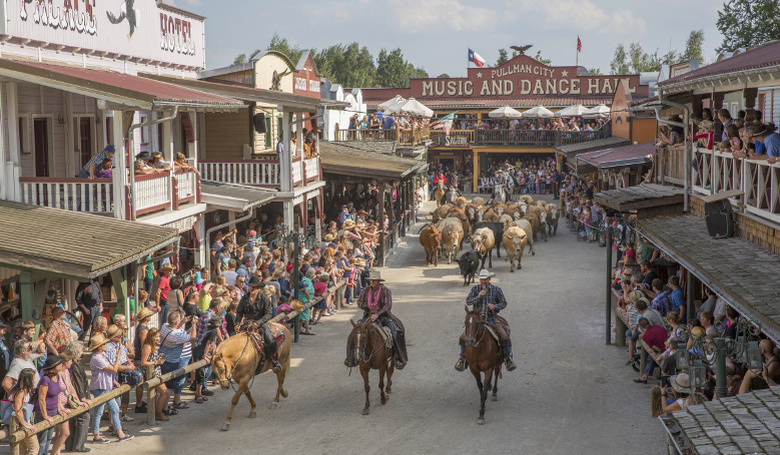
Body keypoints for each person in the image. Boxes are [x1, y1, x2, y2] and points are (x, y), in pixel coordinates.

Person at [455, 269, 516, 372]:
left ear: (489, 279)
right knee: (463, 337)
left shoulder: (496, 290)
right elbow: (468, 301)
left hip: (491, 318)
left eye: (485, 280)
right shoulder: (475, 289)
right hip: (476, 319)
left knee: (504, 336)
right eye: (482, 280)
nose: (483, 282)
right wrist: (478, 297)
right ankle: (462, 358)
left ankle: (508, 358)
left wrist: (494, 306)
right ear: (479, 280)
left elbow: (504, 303)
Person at [345, 270, 408, 369]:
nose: (372, 282)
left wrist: (377, 314)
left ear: (379, 281)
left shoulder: (385, 291)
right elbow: (359, 303)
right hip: (368, 316)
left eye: (375, 280)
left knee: (396, 332)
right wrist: (368, 307)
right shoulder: (365, 290)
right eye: (371, 280)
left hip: (383, 316)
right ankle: (350, 359)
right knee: (354, 333)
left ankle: (398, 357)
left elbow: (387, 306)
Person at [89, 334, 133, 443]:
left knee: (112, 409)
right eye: (103, 344)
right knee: (100, 412)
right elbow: (113, 369)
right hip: (100, 388)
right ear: (99, 347)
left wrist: (113, 381)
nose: (105, 345)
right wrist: (118, 356)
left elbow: (106, 371)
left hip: (105, 387)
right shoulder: (97, 358)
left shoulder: (102, 355)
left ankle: (117, 433)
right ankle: (99, 435)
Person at [235, 276, 281, 373]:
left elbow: (269, 314)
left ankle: (275, 361)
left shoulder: (264, 299)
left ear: (258, 288)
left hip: (261, 323)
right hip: (247, 322)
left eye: (254, 287)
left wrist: (258, 323)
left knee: (271, 340)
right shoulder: (244, 298)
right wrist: (237, 323)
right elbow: (239, 312)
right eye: (251, 286)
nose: (252, 289)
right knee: (233, 340)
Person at [35, 354, 71, 455]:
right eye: (59, 363)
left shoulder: (57, 376)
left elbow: (57, 394)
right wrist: (45, 415)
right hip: (43, 413)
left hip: (53, 411)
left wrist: (60, 408)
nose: (61, 364)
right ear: (54, 367)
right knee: (42, 441)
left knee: (48, 439)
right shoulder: (45, 379)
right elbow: (41, 398)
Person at [62, 341, 91, 453]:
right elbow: (76, 383)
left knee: (74, 420)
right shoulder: (73, 366)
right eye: (80, 351)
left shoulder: (74, 363)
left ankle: (71, 446)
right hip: (76, 397)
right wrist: (82, 398)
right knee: (84, 417)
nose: (82, 352)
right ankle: (79, 445)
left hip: (75, 396)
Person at [139, 328, 171, 422]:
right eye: (156, 336)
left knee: (156, 394)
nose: (158, 338)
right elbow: (143, 362)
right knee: (164, 392)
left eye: (158, 336)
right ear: (151, 337)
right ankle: (159, 413)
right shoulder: (148, 347)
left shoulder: (153, 346)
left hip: (155, 372)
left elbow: (151, 359)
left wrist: (158, 357)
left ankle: (156, 413)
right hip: (152, 374)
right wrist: (157, 361)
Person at [8, 368, 38, 455]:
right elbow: (17, 410)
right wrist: (25, 425)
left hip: (22, 422)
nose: (34, 380)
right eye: (33, 378)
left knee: (23, 450)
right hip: (20, 423)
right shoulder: (20, 391)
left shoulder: (24, 390)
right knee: (34, 448)